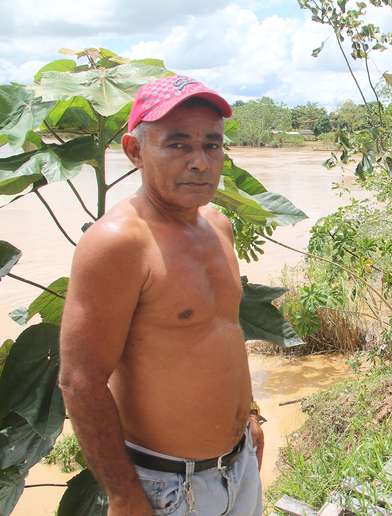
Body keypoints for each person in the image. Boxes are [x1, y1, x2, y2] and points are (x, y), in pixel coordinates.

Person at [59, 75, 264, 516]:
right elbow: (80, 380)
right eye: (177, 145)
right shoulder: (119, 244)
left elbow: (223, 332)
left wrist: (250, 418)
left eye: (212, 145)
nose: (200, 161)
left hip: (239, 464)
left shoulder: (218, 225)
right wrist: (125, 496)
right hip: (167, 487)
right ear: (134, 151)